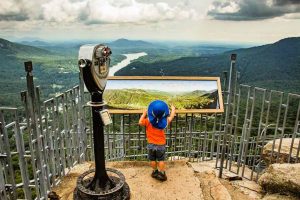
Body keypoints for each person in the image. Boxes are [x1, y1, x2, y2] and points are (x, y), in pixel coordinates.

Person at [139, 100, 176, 181]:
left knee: (152, 159)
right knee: (161, 160)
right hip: (161, 144)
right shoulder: (165, 121)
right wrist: (173, 109)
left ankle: (155, 172)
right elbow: (172, 116)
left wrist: (144, 114)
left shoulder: (148, 121)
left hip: (151, 144)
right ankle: (162, 173)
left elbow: (140, 122)